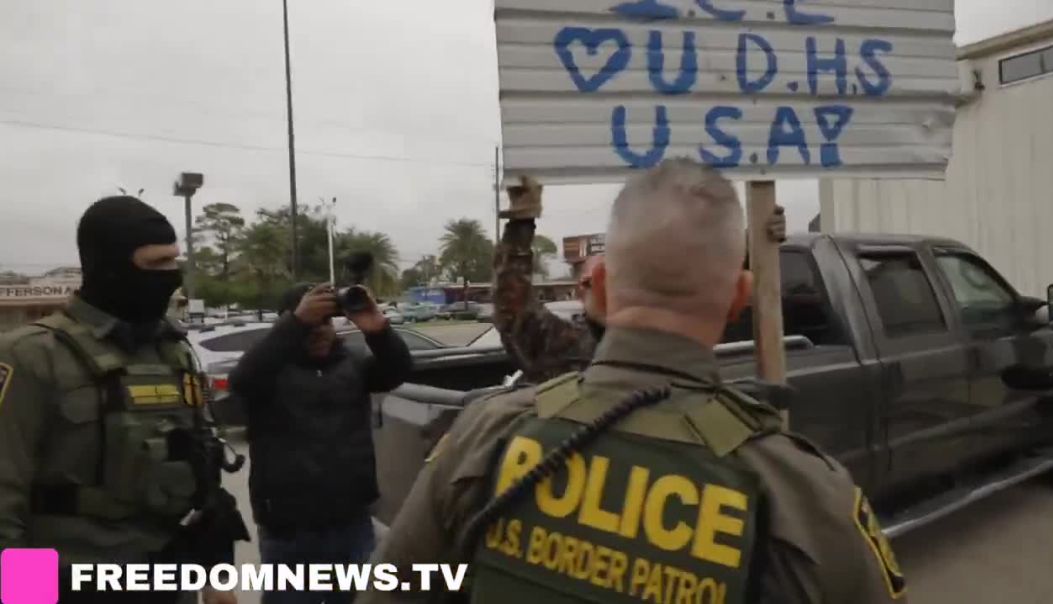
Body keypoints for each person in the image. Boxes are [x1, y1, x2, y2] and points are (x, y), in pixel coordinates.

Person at [366, 160, 905, 603]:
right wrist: (521, 226)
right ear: (740, 298)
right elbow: (512, 309)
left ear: (599, 283)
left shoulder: (485, 436)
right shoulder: (805, 495)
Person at [0, 196, 245, 604]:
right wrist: (27, 595)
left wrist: (215, 577)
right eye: (155, 264)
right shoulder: (31, 355)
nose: (171, 275)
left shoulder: (174, 350)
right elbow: (3, 498)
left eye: (174, 261)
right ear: (108, 266)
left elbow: (203, 472)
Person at [493, 176, 789, 385]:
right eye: (589, 283)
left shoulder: (676, 335)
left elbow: (709, 278)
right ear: (586, 287)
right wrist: (521, 223)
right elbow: (512, 305)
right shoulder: (558, 344)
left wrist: (760, 242)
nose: (601, 290)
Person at [228, 282, 412, 604]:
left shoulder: (352, 364)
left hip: (352, 524)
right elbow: (242, 380)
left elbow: (398, 370)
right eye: (309, 324)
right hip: (289, 532)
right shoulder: (269, 370)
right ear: (290, 322)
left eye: (325, 322)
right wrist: (298, 322)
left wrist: (379, 330)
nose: (319, 331)